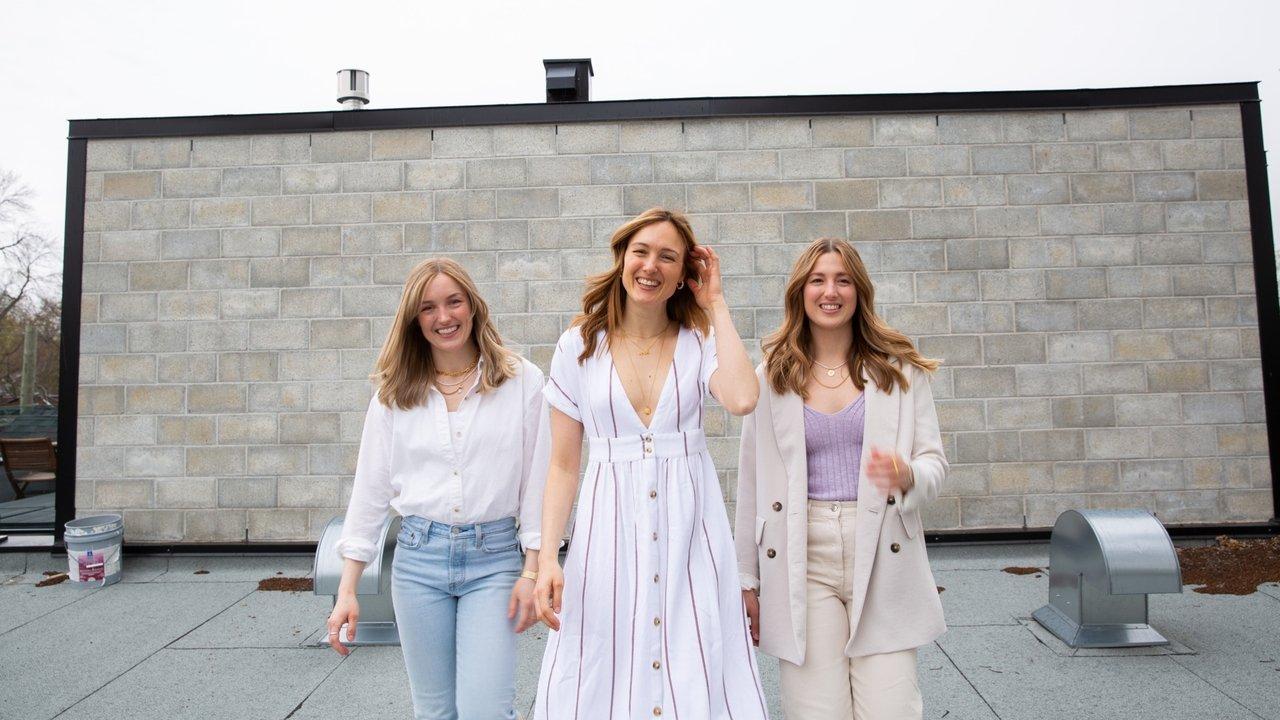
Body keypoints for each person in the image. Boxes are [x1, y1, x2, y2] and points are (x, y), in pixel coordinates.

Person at [533, 208, 769, 719]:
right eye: (641, 251)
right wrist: (548, 557)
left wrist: (717, 303)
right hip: (607, 532)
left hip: (692, 528)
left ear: (685, 273)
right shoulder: (578, 346)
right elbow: (561, 467)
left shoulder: (700, 338)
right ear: (622, 258)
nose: (651, 265)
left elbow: (744, 398)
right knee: (602, 664)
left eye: (668, 256)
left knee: (694, 656)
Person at [735, 237, 947, 720]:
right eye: (818, 280)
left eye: (842, 280)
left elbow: (935, 464)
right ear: (800, 293)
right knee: (816, 709)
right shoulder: (772, 377)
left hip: (882, 547)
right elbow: (750, 484)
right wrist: (745, 579)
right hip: (801, 551)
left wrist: (907, 474)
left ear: (859, 292)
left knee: (890, 705)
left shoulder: (900, 371)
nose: (830, 291)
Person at [326, 258, 547, 720]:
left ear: (473, 307)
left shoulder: (521, 380)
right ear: (414, 320)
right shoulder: (393, 392)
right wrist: (348, 589)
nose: (443, 317)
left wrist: (532, 571)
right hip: (417, 561)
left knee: (485, 709)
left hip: (495, 561)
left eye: (454, 302)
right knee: (435, 712)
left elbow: (538, 485)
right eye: (428, 308)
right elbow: (369, 493)